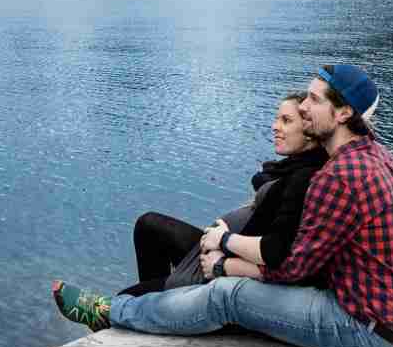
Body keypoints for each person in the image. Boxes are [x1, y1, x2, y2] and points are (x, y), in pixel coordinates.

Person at [52, 64, 393, 347]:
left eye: (313, 100)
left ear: (344, 112)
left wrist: (222, 262)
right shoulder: (376, 156)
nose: (302, 107)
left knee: (227, 297)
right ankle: (137, 313)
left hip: (363, 330)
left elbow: (290, 268)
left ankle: (110, 311)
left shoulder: (339, 176)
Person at [119, 92, 328, 297]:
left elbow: (276, 250)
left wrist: (224, 243)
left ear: (310, 129)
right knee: (148, 225)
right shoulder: (290, 169)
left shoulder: (303, 178)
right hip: (222, 249)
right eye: (277, 119)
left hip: (224, 265)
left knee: (124, 299)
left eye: (286, 121)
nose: (275, 127)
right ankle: (158, 303)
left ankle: (159, 301)